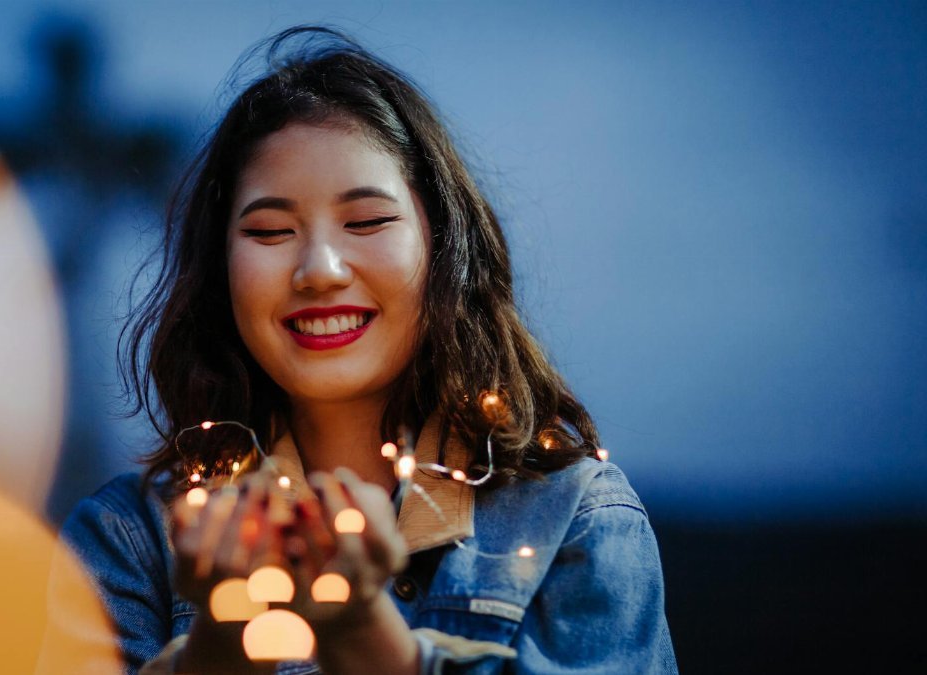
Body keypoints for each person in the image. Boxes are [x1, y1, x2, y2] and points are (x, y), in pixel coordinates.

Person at [36, 26, 677, 674]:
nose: (319, 268)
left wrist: (362, 627)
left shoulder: (572, 515)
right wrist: (227, 629)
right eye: (269, 230)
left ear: (444, 245)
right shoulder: (131, 535)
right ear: (218, 269)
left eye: (367, 221)